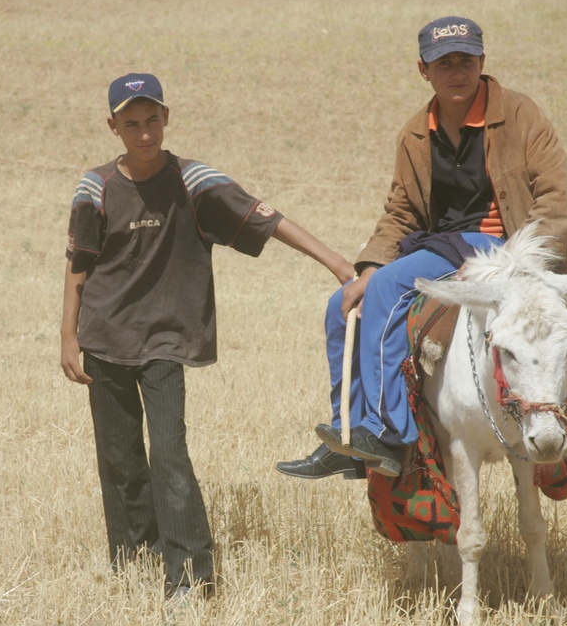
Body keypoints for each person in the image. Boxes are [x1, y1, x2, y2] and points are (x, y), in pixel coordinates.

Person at [61, 72, 354, 597]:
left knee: (169, 451)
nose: (144, 132)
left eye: (152, 120)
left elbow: (268, 219)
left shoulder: (195, 182)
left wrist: (338, 265)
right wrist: (68, 337)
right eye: (132, 123)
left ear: (167, 117)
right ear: (113, 127)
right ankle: (134, 564)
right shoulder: (96, 186)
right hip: (104, 337)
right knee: (120, 457)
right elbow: (79, 265)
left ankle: (192, 579)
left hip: (165, 341)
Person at [276, 15, 567, 479]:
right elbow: (401, 212)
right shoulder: (415, 133)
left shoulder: (521, 116)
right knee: (343, 306)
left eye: (466, 60)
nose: (456, 72)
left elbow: (559, 199)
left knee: (386, 289)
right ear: (424, 70)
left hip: (502, 245)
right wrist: (367, 267)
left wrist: (515, 260)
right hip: (442, 245)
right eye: (445, 63)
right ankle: (347, 434)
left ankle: (386, 432)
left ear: (482, 61)